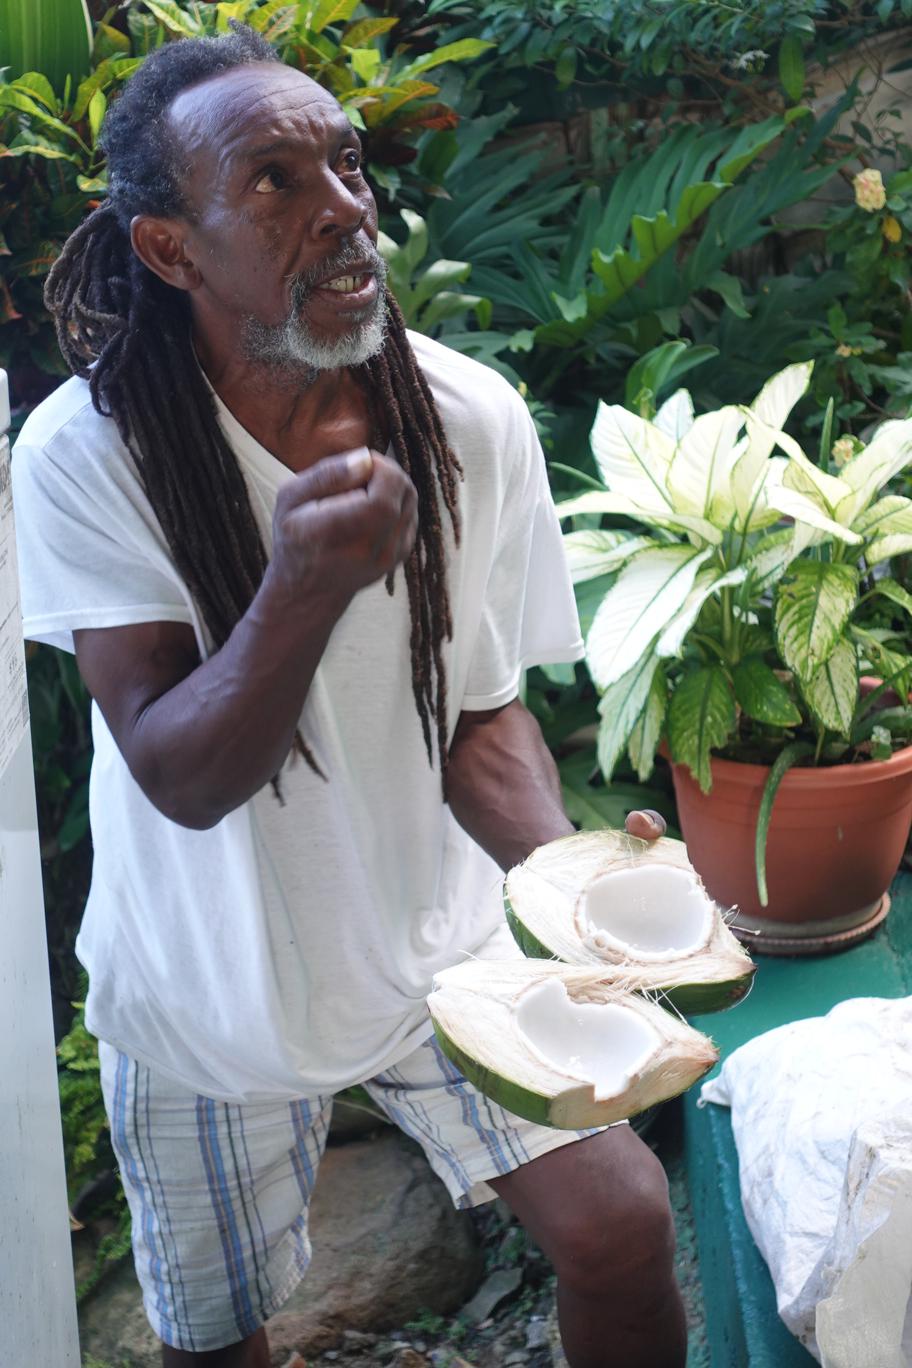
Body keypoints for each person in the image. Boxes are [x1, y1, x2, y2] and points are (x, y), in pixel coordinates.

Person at [12, 27, 685, 1368]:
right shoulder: (88, 453)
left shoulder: (464, 417)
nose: (341, 208)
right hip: (206, 988)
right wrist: (303, 587)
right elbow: (180, 772)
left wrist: (576, 891)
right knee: (219, 1341)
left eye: (347, 164)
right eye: (273, 180)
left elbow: (479, 719)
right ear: (170, 249)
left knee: (622, 1227)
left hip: (442, 949)